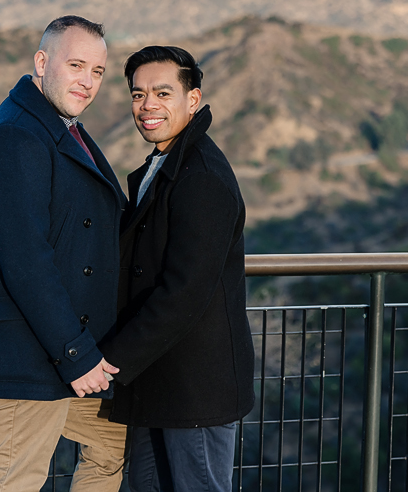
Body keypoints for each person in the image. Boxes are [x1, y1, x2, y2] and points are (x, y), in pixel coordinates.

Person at [0, 16, 128, 491]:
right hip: (28, 357)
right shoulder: (15, 136)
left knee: (114, 446)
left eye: (98, 71)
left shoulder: (60, 127)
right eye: (76, 65)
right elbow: (25, 259)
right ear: (42, 63)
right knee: (15, 482)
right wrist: (77, 354)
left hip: (70, 349)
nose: (87, 81)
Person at [98, 46, 255, 492]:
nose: (148, 105)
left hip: (195, 388)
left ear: (193, 99)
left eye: (163, 92)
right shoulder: (165, 163)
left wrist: (110, 358)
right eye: (138, 94)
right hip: (157, 378)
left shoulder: (202, 176)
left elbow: (184, 293)